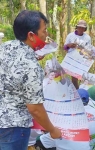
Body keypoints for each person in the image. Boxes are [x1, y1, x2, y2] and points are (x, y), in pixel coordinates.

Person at [0, 10, 61, 150]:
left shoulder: (4, 47)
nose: (46, 35)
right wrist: (52, 130)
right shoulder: (32, 66)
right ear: (31, 36)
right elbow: (35, 109)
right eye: (44, 31)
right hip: (13, 128)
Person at [63, 20, 92, 89]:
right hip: (72, 59)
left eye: (83, 28)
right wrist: (69, 45)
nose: (81, 29)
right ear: (77, 27)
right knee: (74, 78)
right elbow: (64, 47)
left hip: (82, 59)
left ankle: (78, 92)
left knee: (81, 77)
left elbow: (89, 50)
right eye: (80, 27)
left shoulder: (87, 38)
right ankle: (76, 92)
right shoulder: (70, 36)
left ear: (85, 29)